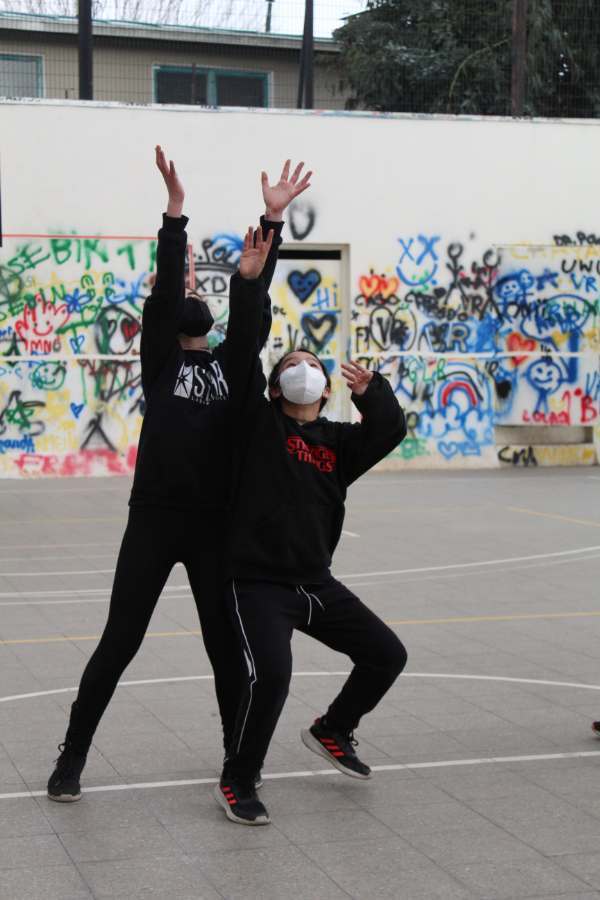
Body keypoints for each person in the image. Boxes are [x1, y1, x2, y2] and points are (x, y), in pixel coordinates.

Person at [47, 149, 311, 802]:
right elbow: (167, 294)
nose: (187, 301)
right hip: (155, 520)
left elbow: (251, 303)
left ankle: (235, 759)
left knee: (225, 647)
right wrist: (174, 214)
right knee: (119, 641)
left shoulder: (234, 367)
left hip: (213, 527)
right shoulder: (161, 362)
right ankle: (71, 756)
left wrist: (272, 224)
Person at [214, 292, 409, 824]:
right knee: (273, 676)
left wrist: (372, 392)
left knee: (387, 655)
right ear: (275, 388)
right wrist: (251, 284)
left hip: (316, 584)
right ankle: (238, 778)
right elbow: (240, 358)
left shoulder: (339, 444)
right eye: (291, 366)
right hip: (256, 583)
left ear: (326, 390)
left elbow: (389, 430)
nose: (303, 369)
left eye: (313, 366)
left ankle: (333, 728)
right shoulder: (255, 426)